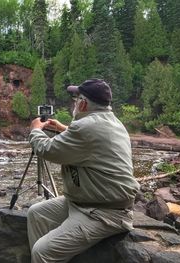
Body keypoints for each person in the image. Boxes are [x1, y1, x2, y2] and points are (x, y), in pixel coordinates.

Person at [27, 78, 140, 263]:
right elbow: (88, 141)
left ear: (84, 103)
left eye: (76, 98)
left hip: (104, 213)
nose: (75, 102)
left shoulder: (86, 127)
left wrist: (35, 130)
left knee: (42, 252)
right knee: (36, 214)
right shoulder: (112, 121)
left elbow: (47, 150)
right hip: (85, 202)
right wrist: (63, 129)